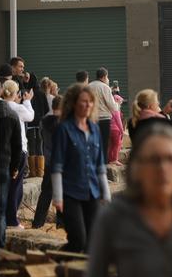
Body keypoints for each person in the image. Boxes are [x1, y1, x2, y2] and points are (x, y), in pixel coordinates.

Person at [87, 123, 172, 277]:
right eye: (154, 159)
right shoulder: (113, 217)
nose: (163, 168)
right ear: (136, 167)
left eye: (171, 159)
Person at [51, 84, 111, 252]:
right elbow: (56, 166)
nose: (88, 105)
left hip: (92, 191)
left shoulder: (95, 129)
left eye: (91, 102)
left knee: (93, 243)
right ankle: (55, 264)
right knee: (79, 241)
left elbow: (100, 166)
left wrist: (106, 193)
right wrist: (57, 197)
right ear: (73, 103)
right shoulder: (64, 129)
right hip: (70, 193)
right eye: (84, 102)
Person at [1, 80, 34, 229]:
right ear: (15, 93)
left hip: (4, 151)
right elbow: (30, 116)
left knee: (6, 186)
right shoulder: (17, 108)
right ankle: (12, 220)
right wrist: (27, 101)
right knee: (16, 187)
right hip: (19, 150)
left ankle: (5, 217)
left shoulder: (0, 106)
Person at [0, 79, 22, 247]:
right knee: (0, 210)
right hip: (3, 166)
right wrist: (14, 168)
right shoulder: (11, 113)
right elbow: (17, 145)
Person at [32, 95, 63, 229]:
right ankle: (61, 223)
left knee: (46, 193)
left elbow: (41, 137)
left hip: (49, 161)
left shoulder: (44, 121)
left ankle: (38, 222)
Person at [88, 67, 119, 158]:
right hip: (104, 120)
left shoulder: (89, 86)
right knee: (104, 143)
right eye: (107, 76)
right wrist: (117, 103)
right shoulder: (105, 87)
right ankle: (103, 165)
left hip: (92, 119)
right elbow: (112, 106)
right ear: (104, 77)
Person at [26, 73, 50, 177]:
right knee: (39, 145)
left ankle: (32, 171)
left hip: (30, 122)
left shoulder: (27, 93)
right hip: (40, 122)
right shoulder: (41, 93)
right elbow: (47, 109)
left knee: (31, 145)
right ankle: (40, 172)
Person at [108, 92, 125, 166]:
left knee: (111, 145)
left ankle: (110, 159)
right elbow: (119, 122)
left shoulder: (109, 110)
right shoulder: (116, 110)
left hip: (110, 129)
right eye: (120, 102)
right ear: (117, 101)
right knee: (117, 145)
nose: (121, 104)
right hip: (116, 130)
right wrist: (122, 131)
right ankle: (115, 159)